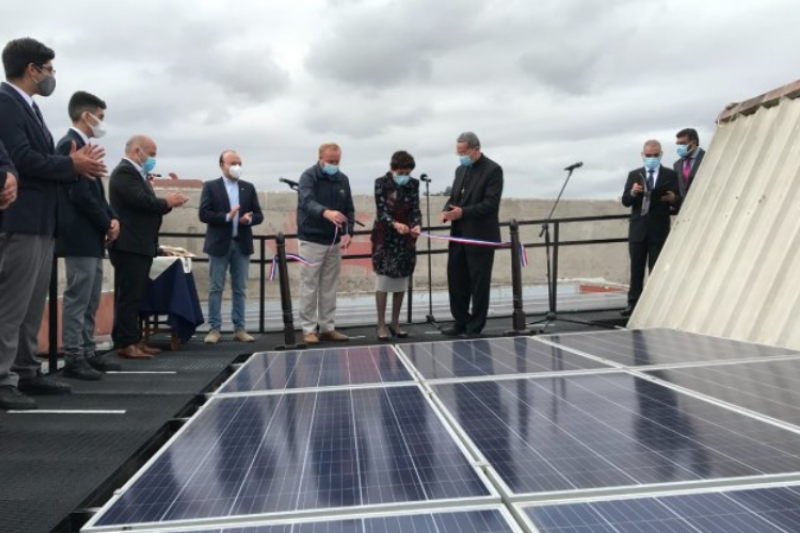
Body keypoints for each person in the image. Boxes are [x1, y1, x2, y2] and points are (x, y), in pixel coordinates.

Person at [0, 37, 106, 410]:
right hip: (21, 218)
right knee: (11, 304)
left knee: (31, 305)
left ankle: (26, 371)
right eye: (49, 69)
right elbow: (22, 159)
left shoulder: (28, 107)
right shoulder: (6, 101)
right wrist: (71, 165)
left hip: (42, 222)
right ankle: (2, 378)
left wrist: (76, 167)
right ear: (32, 69)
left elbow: (39, 159)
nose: (51, 76)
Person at [55, 91, 122, 380]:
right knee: (78, 297)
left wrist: (112, 218)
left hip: (92, 236)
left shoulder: (86, 146)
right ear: (87, 115)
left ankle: (86, 351)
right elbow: (79, 194)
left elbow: (95, 191)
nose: (102, 123)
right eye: (100, 117)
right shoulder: (69, 145)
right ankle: (74, 356)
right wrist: (105, 221)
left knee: (91, 296)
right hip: (78, 234)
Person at [108, 135, 188, 359]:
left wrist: (164, 204)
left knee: (136, 296)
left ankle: (133, 339)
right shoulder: (125, 172)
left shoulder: (138, 175)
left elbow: (147, 205)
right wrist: (167, 201)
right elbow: (141, 202)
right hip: (129, 245)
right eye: (151, 154)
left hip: (140, 245)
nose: (153, 159)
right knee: (129, 296)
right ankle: (125, 343)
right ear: (136, 151)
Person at [440, 132, 503, 339]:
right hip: (458, 235)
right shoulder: (461, 170)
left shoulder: (493, 170)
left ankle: (475, 327)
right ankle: (460, 321)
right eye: (458, 153)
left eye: (464, 152)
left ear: (476, 149)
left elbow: (490, 203)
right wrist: (447, 210)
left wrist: (463, 212)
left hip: (480, 236)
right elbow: (455, 197)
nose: (461, 156)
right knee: (456, 281)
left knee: (478, 283)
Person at [199, 150, 263, 344]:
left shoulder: (248, 188)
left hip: (241, 244)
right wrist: (227, 217)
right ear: (222, 165)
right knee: (215, 287)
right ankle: (214, 329)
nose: (237, 166)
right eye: (232, 163)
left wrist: (248, 220)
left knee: (240, 289)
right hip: (219, 244)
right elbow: (204, 214)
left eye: (239, 163)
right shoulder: (211, 187)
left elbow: (259, 215)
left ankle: (240, 328)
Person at [297, 142, 355, 345]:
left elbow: (349, 209)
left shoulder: (343, 179)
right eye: (330, 161)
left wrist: (348, 232)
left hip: (334, 241)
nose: (334, 164)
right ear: (320, 159)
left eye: (337, 161)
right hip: (311, 240)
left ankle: (327, 327)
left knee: (329, 286)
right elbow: (306, 201)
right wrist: (326, 212)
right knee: (309, 285)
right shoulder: (308, 176)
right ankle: (308, 329)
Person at [621, 139, 679, 317]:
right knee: (636, 268)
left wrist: (673, 199)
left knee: (656, 269)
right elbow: (625, 201)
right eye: (648, 155)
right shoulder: (634, 175)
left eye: (655, 155)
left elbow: (678, 200)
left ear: (661, 154)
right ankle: (633, 303)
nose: (652, 158)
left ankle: (656, 305)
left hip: (659, 228)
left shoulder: (670, 175)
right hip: (638, 229)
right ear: (642, 155)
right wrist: (633, 192)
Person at [371, 151, 421, 340]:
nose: (404, 176)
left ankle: (395, 322)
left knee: (402, 279)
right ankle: (381, 324)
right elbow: (382, 211)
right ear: (392, 169)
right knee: (384, 280)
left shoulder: (414, 184)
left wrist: (416, 224)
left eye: (407, 173)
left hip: (406, 238)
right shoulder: (380, 183)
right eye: (401, 172)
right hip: (385, 237)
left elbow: (415, 208)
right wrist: (395, 224)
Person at [673, 128, 706, 206]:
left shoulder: (708, 158)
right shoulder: (677, 165)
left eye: (682, 144)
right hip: (685, 210)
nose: (680, 147)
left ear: (694, 142)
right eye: (678, 144)